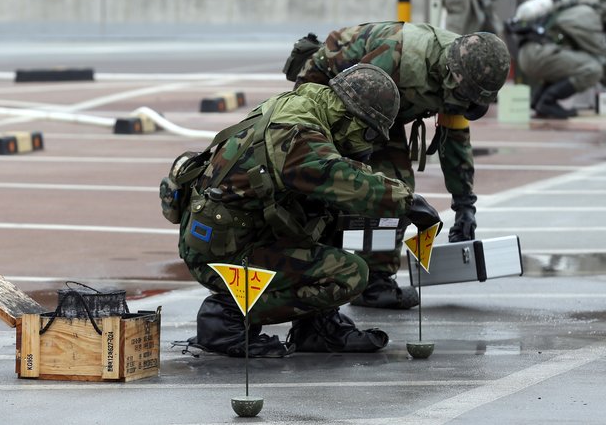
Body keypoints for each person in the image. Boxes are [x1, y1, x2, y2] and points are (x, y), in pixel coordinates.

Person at [175, 64, 441, 356]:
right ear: (351, 119)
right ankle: (225, 318)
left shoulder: (306, 105)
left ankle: (315, 327)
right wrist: (408, 202)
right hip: (224, 255)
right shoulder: (297, 132)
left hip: (243, 234)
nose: (370, 146)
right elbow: (340, 178)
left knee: (336, 216)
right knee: (349, 273)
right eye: (368, 135)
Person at [295, 22, 511, 308]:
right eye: (463, 94)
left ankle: (374, 279)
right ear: (451, 74)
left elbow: (454, 143)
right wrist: (356, 171)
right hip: (333, 90)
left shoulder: (464, 75)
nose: (463, 101)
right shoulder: (397, 59)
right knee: (346, 184)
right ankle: (312, 268)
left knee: (396, 187)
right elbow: (354, 113)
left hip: (381, 108)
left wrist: (464, 206)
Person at [515, 0, 606, 119]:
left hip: (536, 53)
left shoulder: (583, 12)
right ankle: (548, 102)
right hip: (537, 55)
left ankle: (539, 100)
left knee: (576, 62)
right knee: (593, 69)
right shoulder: (588, 17)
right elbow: (601, 53)